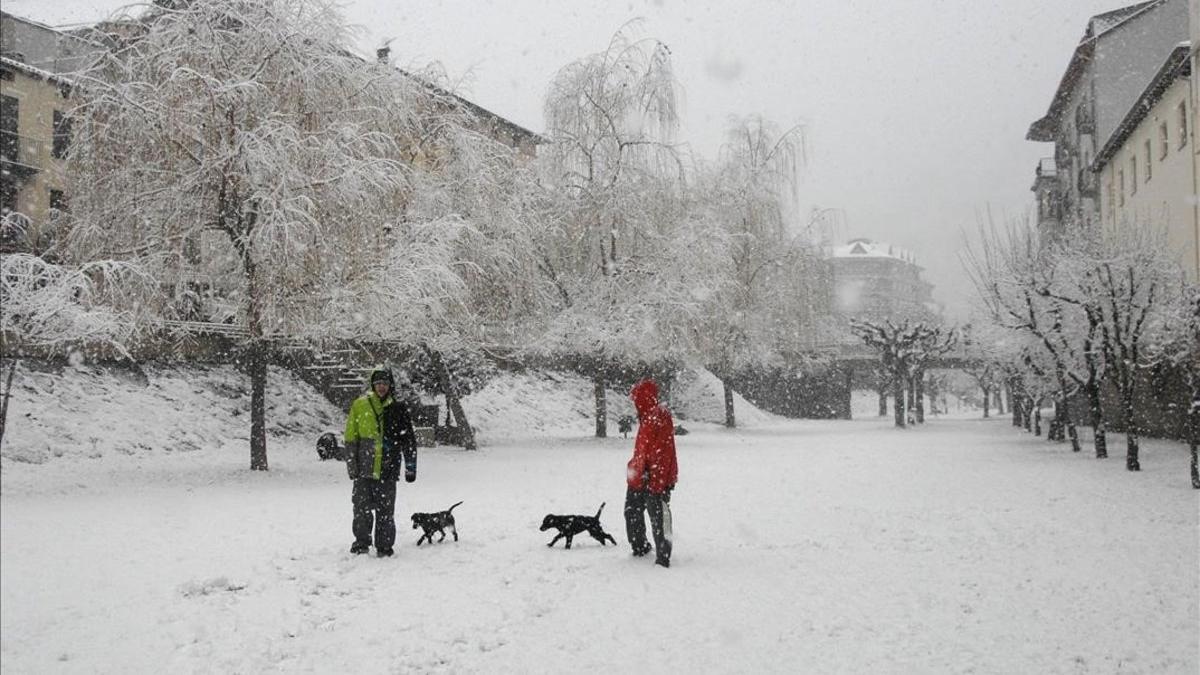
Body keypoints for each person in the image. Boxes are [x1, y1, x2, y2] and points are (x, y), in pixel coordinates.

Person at [344, 366, 417, 557]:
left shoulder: (398, 408)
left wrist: (411, 467)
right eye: (378, 384)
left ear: (390, 385)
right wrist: (352, 466)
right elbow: (351, 438)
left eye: (384, 383)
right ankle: (361, 543)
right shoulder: (360, 405)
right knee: (361, 509)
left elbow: (408, 440)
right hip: (364, 468)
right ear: (373, 385)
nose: (381, 387)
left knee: (386, 511)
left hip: (388, 468)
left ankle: (384, 546)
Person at [624, 378, 678, 568]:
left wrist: (657, 482)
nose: (634, 404)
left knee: (660, 517)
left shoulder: (659, 416)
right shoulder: (646, 418)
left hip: (656, 478)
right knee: (631, 512)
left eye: (636, 399)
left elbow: (663, 453)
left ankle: (663, 557)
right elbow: (643, 451)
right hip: (640, 477)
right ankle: (639, 547)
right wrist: (634, 470)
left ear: (644, 398)